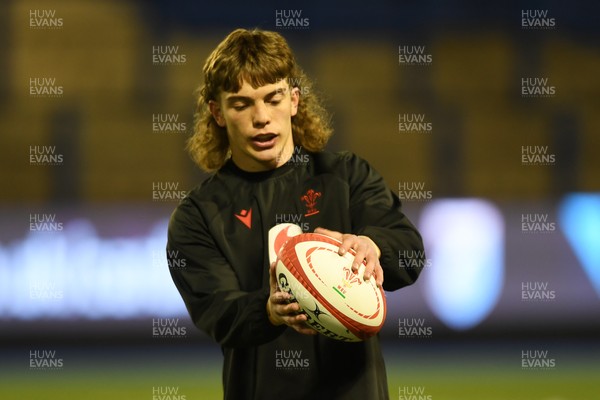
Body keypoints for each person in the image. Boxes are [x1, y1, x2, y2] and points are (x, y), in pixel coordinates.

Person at [167, 28, 425, 400]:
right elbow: (218, 313)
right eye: (241, 104)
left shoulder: (346, 176)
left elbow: (411, 252)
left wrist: (373, 245)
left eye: (273, 98)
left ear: (294, 99)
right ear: (217, 113)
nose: (261, 117)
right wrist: (267, 310)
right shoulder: (198, 215)